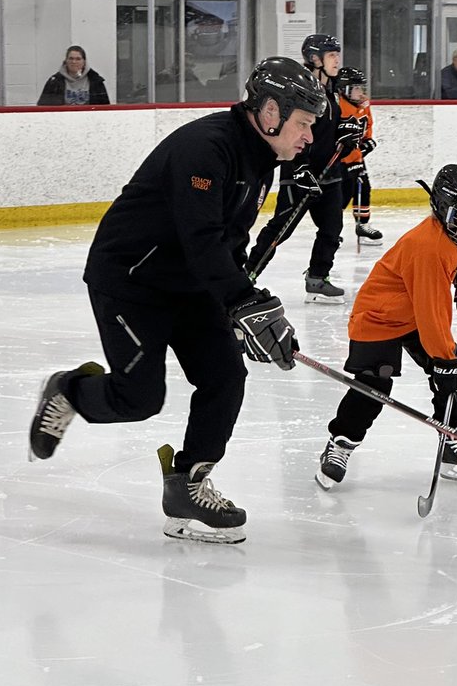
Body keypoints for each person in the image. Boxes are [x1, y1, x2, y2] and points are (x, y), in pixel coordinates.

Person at [28, 56, 327, 545]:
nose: (308, 137)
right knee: (139, 399)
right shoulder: (204, 148)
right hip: (131, 281)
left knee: (226, 375)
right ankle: (69, 391)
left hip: (190, 283)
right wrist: (242, 299)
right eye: (303, 124)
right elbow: (200, 238)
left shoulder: (261, 159)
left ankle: (188, 483)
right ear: (271, 112)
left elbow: (228, 244)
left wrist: (244, 301)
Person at [314, 162, 457, 491]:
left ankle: (452, 440)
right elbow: (432, 314)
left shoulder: (451, 231)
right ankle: (340, 444)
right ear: (447, 210)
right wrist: (445, 361)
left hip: (411, 311)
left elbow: (444, 269)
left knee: (451, 379)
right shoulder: (428, 247)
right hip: (378, 317)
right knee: (374, 386)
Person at [249, 34, 364, 304]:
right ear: (315, 59)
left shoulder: (334, 91)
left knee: (331, 230)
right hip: (300, 174)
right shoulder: (302, 91)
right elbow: (294, 131)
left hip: (329, 174)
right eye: (332, 55)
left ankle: (317, 278)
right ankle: (248, 273)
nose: (337, 60)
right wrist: (298, 168)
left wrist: (347, 137)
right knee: (281, 228)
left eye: (338, 54)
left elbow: (328, 135)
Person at [336, 65, 382, 245]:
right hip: (339, 160)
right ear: (345, 89)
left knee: (364, 188)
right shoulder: (338, 105)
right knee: (342, 195)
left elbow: (367, 126)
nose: (361, 93)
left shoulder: (363, 105)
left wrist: (367, 142)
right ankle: (333, 228)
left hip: (356, 158)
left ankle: (362, 225)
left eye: (362, 88)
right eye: (357, 89)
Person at [38, 46, 110, 106]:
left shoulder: (96, 81)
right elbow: (43, 107)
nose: (74, 62)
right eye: (71, 58)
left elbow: (105, 108)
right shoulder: (54, 82)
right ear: (66, 61)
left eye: (78, 59)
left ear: (84, 62)